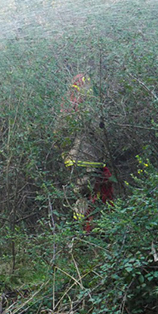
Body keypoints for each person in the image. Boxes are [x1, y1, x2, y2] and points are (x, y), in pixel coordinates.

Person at [59, 73, 114, 231]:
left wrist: (66, 153)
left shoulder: (67, 107)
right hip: (89, 160)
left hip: (73, 160)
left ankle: (80, 228)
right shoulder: (89, 106)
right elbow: (99, 131)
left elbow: (60, 133)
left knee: (82, 194)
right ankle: (87, 229)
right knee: (91, 194)